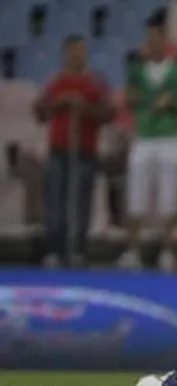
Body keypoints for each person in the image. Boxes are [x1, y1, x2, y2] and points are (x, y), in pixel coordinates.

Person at [119, 10, 177, 272]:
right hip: (144, 137)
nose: (151, 43)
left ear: (165, 39)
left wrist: (169, 101)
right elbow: (130, 99)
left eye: (156, 38)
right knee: (136, 195)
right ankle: (132, 250)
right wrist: (136, 99)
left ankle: (167, 251)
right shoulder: (137, 69)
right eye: (148, 38)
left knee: (168, 197)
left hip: (169, 138)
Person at [33, 35, 114, 269]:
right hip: (59, 149)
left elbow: (108, 114)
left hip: (85, 151)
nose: (78, 55)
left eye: (82, 51)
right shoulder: (56, 82)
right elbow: (40, 112)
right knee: (55, 202)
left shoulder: (96, 83)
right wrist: (60, 103)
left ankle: (78, 250)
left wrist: (84, 107)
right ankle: (54, 250)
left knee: (81, 203)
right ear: (65, 54)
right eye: (74, 51)